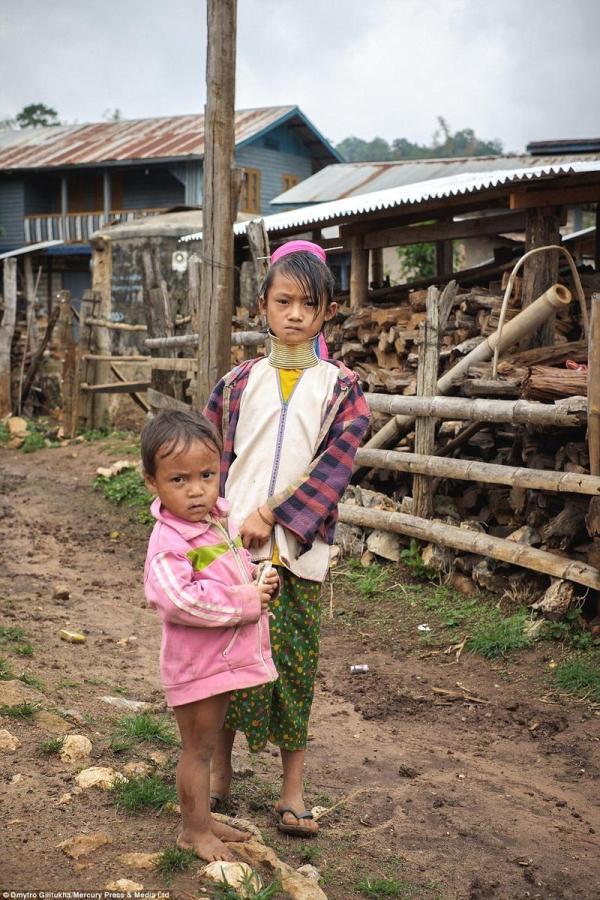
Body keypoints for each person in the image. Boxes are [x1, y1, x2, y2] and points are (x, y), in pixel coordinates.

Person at [204, 240, 370, 837]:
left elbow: (334, 469)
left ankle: (292, 791)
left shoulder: (342, 390)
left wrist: (273, 514)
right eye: (283, 301)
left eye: (309, 303)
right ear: (262, 306)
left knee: (293, 666)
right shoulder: (235, 384)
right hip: (228, 549)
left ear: (327, 312)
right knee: (224, 661)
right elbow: (210, 464)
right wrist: (206, 532)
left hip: (298, 552)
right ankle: (219, 774)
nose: (295, 313)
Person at [141, 409, 279, 861]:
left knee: (206, 741)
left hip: (216, 661)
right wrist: (246, 601)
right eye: (179, 480)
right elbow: (179, 599)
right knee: (197, 750)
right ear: (153, 483)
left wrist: (257, 578)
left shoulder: (212, 524)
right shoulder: (170, 540)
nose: (197, 489)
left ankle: (203, 819)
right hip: (195, 664)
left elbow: (228, 572)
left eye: (206, 474)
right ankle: (192, 832)